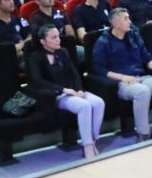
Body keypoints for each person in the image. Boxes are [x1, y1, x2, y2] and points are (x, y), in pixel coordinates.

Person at [91, 7, 152, 141]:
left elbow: (146, 58)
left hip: (141, 77)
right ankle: (143, 133)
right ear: (115, 23)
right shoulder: (103, 42)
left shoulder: (134, 35)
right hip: (122, 82)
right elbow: (99, 69)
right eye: (126, 19)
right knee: (143, 91)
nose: (130, 21)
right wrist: (123, 77)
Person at [27, 24, 105, 159]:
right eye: (54, 37)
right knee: (84, 106)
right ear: (43, 41)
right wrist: (63, 90)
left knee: (98, 103)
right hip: (56, 95)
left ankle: (93, 140)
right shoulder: (35, 57)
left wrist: (79, 90)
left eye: (58, 36)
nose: (58, 39)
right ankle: (87, 146)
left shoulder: (63, 52)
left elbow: (75, 74)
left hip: (73, 91)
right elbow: (38, 81)